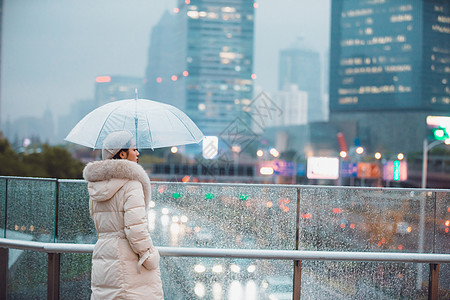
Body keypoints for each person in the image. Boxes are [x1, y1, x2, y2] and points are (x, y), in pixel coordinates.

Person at [83, 130, 164, 299]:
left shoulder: (96, 186)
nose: (137, 153)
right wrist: (150, 256)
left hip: (103, 257)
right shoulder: (132, 184)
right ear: (122, 153)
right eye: (134, 149)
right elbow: (136, 229)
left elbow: (98, 221)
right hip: (128, 262)